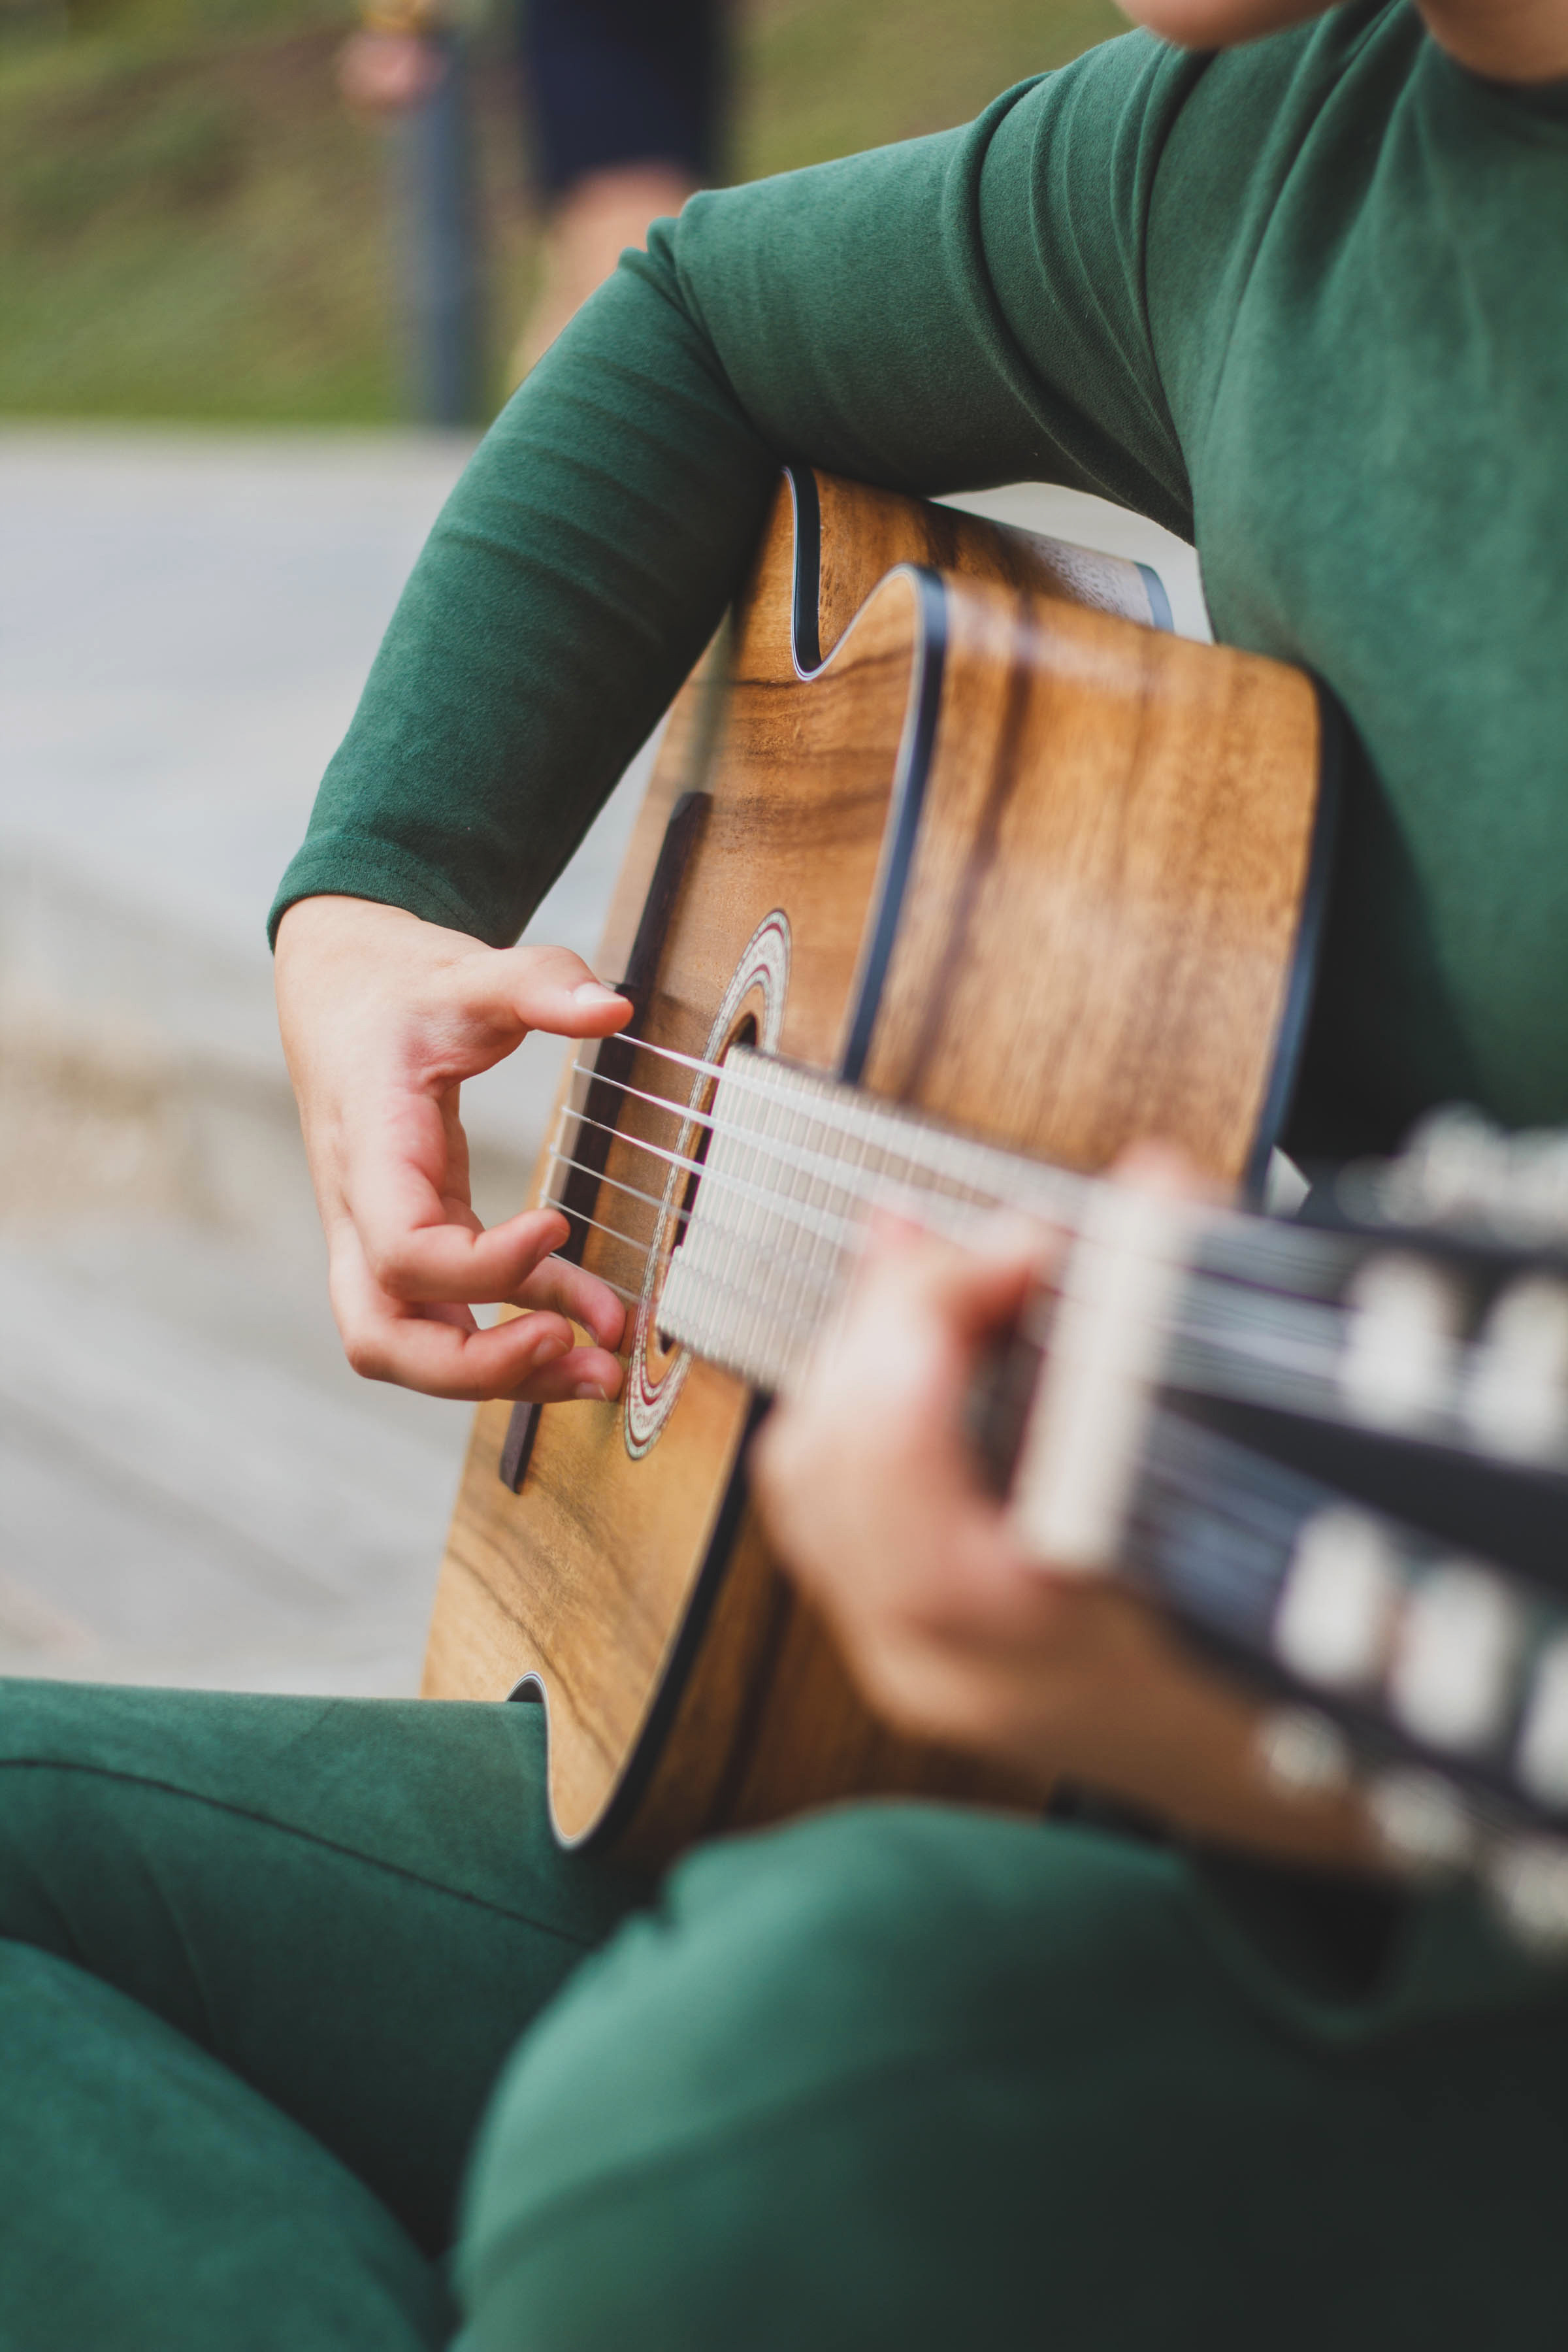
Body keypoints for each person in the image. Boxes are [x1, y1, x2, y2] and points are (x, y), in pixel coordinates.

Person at [4, 0, 1568, 2342]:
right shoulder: (1260, 148)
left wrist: (1219, 1728)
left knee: (727, 2118)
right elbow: (700, 318)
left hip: (1443, 1961)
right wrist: (370, 909)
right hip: (1131, 1727)